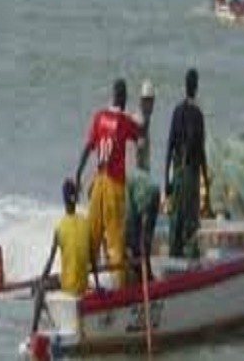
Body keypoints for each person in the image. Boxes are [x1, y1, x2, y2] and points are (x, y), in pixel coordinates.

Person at [74, 78, 141, 288]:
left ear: (113, 95)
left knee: (93, 236)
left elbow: (88, 147)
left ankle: (83, 282)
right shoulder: (124, 121)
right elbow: (140, 133)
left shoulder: (99, 116)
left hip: (98, 182)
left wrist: (78, 175)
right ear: (124, 98)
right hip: (114, 185)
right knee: (114, 242)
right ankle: (120, 288)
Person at [32, 178, 99, 333]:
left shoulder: (60, 227)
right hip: (83, 283)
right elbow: (93, 260)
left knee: (40, 288)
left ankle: (34, 329)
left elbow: (50, 262)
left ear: (63, 199)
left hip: (69, 285)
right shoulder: (86, 222)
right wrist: (96, 282)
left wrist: (42, 279)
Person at [164, 69, 211, 258]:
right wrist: (206, 184)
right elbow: (201, 153)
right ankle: (191, 264)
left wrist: (166, 180)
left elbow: (169, 147)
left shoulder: (177, 111)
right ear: (196, 87)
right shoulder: (198, 115)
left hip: (177, 174)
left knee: (176, 220)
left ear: (185, 87)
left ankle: (173, 259)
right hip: (191, 175)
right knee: (191, 223)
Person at [125, 80, 160, 283]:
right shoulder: (140, 120)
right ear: (142, 101)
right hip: (137, 183)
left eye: (152, 101)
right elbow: (137, 148)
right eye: (147, 101)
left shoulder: (144, 119)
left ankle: (138, 269)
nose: (150, 105)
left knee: (137, 230)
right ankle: (142, 271)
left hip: (140, 179)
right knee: (140, 230)